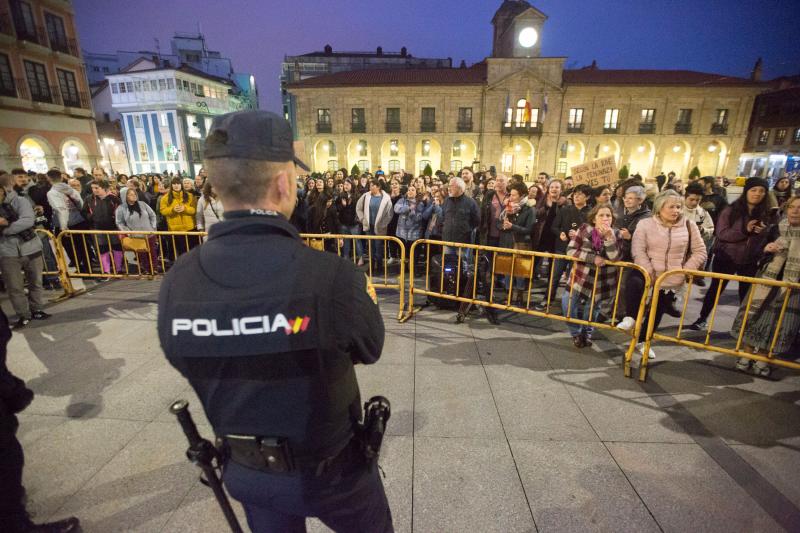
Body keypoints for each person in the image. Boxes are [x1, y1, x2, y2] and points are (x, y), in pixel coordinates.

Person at [158, 110, 392, 532]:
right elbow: (369, 348)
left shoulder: (178, 282)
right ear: (284, 183)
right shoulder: (333, 277)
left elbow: (187, 359)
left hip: (250, 476)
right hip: (335, 475)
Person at [689, 178, 776, 330]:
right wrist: (744, 231)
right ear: (746, 191)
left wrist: (764, 236)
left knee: (746, 295)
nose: (757, 194)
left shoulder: (768, 214)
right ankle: (702, 318)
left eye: (762, 191)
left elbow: (770, 237)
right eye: (753, 190)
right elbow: (722, 233)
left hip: (751, 260)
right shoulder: (731, 210)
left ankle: (742, 325)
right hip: (726, 257)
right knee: (715, 290)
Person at [632, 190, 707, 360]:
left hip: (672, 278)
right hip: (647, 275)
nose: (676, 211)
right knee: (638, 307)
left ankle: (643, 341)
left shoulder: (689, 225)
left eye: (679, 207)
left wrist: (683, 271)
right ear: (659, 208)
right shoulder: (645, 224)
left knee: (657, 312)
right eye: (671, 206)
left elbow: (700, 251)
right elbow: (638, 249)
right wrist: (648, 271)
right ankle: (633, 328)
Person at [730, 196, 800, 377]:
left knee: (776, 322)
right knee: (754, 315)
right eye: (792, 207)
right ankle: (745, 354)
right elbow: (753, 255)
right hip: (766, 280)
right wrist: (765, 249)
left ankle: (763, 358)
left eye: (799, 208)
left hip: (792, 287)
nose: (795, 211)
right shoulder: (776, 229)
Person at [562, 204, 621, 347]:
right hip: (581, 276)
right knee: (568, 303)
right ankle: (575, 333)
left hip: (603, 279)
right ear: (594, 219)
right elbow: (570, 250)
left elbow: (615, 257)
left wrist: (609, 238)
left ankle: (586, 333)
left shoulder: (617, 233)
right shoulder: (584, 229)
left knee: (593, 308)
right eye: (601, 215)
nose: (605, 218)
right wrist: (592, 258)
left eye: (608, 215)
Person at [0, 176, 50, 329]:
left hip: (30, 247)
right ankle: (23, 314)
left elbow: (28, 221)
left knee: (36, 281)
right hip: (6, 252)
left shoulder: (20, 201)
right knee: (14, 286)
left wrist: (5, 228)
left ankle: (37, 309)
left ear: (3, 190)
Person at [537, 184, 592, 311]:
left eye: (581, 194)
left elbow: (594, 233)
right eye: (575, 194)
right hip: (562, 248)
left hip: (581, 251)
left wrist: (579, 235)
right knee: (554, 276)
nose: (577, 196)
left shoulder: (591, 212)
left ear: (587, 197)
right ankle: (547, 299)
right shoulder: (565, 210)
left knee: (577, 279)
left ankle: (573, 304)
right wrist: (561, 233)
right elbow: (554, 227)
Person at [614, 186, 652, 331]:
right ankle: (617, 311)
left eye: (630, 198)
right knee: (617, 284)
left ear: (640, 200)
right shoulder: (622, 213)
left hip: (633, 257)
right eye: (625, 198)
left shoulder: (646, 217)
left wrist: (629, 237)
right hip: (619, 254)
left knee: (625, 286)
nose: (626, 201)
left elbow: (646, 241)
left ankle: (624, 315)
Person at [497, 181, 536, 304]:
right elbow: (499, 223)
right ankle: (508, 294)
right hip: (507, 242)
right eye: (510, 195)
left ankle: (519, 295)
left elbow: (529, 229)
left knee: (520, 271)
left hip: (521, 243)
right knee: (507, 269)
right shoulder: (508, 208)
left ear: (522, 195)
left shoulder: (529, 209)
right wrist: (503, 224)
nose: (511, 197)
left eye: (514, 195)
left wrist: (512, 226)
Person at [83, 179, 123, 276]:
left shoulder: (114, 199)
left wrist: (116, 220)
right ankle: (106, 270)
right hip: (98, 228)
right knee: (102, 249)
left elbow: (120, 212)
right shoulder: (89, 199)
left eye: (97, 188)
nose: (94, 190)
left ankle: (119, 269)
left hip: (113, 228)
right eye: (93, 188)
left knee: (117, 248)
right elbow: (84, 212)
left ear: (104, 188)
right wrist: (91, 217)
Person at [116, 187, 159, 274]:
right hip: (136, 236)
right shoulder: (121, 209)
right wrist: (128, 232)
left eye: (134, 194)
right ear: (125, 196)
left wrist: (153, 227)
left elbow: (152, 215)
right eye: (131, 194)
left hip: (150, 233)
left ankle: (154, 268)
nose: (134, 196)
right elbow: (120, 222)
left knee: (152, 252)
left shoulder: (142, 204)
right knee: (142, 254)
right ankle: (147, 269)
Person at [356, 179, 393, 268]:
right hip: (369, 226)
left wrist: (383, 224)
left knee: (378, 247)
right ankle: (371, 265)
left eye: (373, 185)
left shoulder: (386, 198)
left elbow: (389, 214)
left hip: (380, 227)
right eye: (370, 185)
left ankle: (379, 266)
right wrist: (362, 219)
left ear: (378, 187)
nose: (370, 187)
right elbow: (358, 208)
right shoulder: (366, 196)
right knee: (371, 247)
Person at [159, 177, 197, 258]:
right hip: (175, 229)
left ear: (181, 185)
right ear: (171, 185)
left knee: (192, 251)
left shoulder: (190, 196)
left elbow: (194, 210)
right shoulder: (165, 198)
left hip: (189, 228)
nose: (176, 186)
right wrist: (172, 210)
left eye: (178, 184)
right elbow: (163, 211)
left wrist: (185, 208)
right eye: (174, 184)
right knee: (181, 253)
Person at [479, 174, 508, 248]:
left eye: (501, 181)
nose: (498, 183)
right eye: (497, 180)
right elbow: (482, 212)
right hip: (490, 233)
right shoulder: (489, 195)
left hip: (505, 235)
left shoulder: (511, 195)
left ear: (507, 183)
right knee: (488, 257)